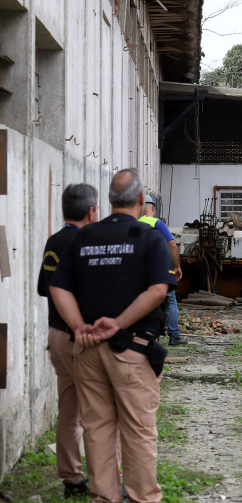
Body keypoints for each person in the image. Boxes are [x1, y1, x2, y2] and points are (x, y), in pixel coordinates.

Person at [50, 169, 176, 503]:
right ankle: (141, 498)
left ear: (108, 199)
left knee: (97, 429)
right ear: (139, 200)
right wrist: (118, 323)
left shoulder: (83, 237)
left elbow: (57, 288)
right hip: (132, 351)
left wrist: (79, 327)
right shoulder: (148, 238)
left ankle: (104, 498)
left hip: (88, 350)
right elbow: (158, 290)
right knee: (137, 430)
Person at [37, 183, 98, 498]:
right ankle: (103, 483)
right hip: (81, 338)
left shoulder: (54, 240)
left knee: (69, 409)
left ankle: (72, 480)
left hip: (56, 336)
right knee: (99, 412)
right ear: (91, 211)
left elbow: (42, 288)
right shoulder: (88, 242)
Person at [140, 194, 186, 346]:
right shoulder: (157, 223)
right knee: (170, 302)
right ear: (152, 208)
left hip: (141, 271)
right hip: (161, 270)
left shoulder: (133, 225)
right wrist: (177, 266)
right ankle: (174, 335)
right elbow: (172, 245)